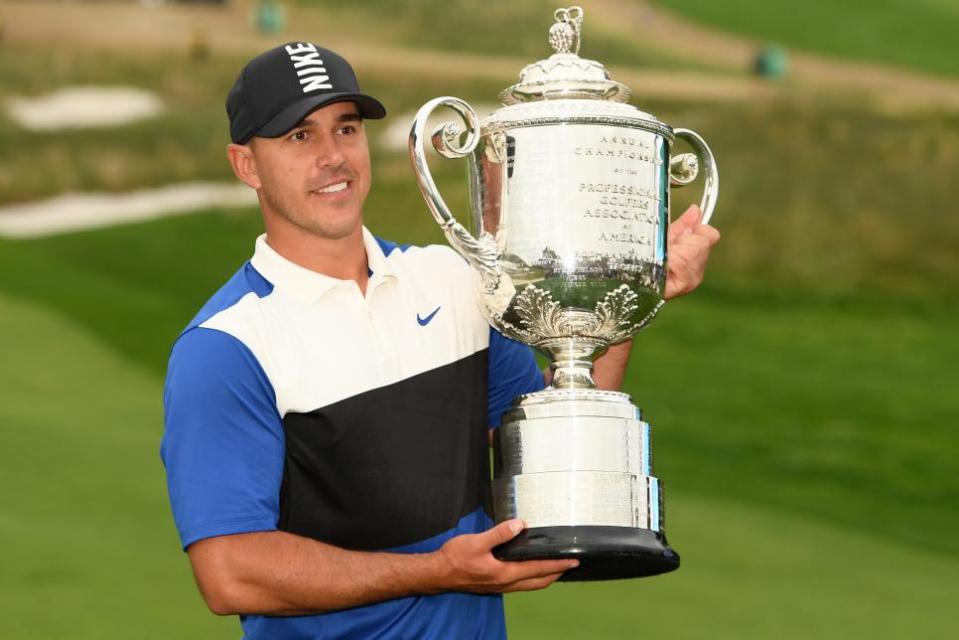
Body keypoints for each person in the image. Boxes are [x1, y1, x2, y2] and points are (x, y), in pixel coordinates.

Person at [160, 43, 719, 640]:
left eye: (345, 129)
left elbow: (549, 456)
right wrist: (438, 572)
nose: (332, 157)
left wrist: (630, 287)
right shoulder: (226, 348)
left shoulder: (453, 282)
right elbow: (231, 575)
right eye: (300, 137)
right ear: (247, 165)